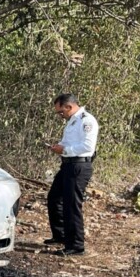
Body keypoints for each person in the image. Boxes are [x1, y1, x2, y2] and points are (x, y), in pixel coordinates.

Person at [44, 93, 99, 256]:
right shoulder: (72, 121)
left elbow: (88, 146)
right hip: (68, 165)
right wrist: (58, 147)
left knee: (71, 205)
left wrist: (66, 150)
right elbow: (68, 142)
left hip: (79, 166)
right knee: (54, 198)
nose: (61, 116)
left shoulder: (86, 120)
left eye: (61, 112)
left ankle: (76, 245)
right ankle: (60, 235)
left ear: (69, 106)